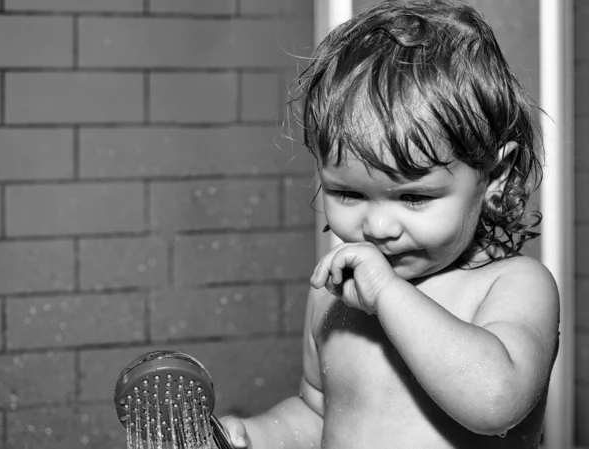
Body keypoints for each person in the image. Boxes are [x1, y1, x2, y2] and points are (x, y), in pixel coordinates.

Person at [221, 0, 560, 447]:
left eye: (415, 197)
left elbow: (495, 402)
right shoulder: (332, 296)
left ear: (493, 178)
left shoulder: (514, 286)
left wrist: (387, 296)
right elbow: (316, 414)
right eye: (348, 193)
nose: (378, 226)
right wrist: (254, 436)